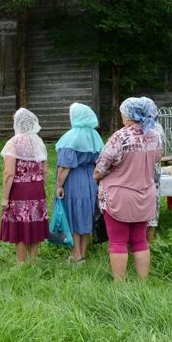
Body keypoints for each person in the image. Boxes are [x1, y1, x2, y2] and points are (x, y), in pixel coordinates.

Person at [95, 97, 162, 281]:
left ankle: (120, 285)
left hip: (119, 197)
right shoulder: (155, 136)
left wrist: (97, 176)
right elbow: (156, 160)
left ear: (131, 115)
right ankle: (142, 283)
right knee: (140, 240)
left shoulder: (121, 136)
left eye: (123, 113)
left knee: (117, 241)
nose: (122, 116)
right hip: (145, 196)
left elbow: (101, 167)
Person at [54, 103, 105, 263]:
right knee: (86, 214)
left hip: (74, 180)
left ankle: (75, 255)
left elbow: (64, 167)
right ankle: (82, 253)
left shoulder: (71, 136)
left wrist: (58, 185)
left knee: (74, 215)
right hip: (91, 179)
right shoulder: (95, 136)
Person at [0, 108, 49, 264]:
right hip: (37, 189)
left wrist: (5, 198)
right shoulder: (39, 142)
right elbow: (45, 170)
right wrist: (41, 186)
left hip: (19, 190)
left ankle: (21, 264)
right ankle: (33, 262)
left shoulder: (13, 143)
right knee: (34, 224)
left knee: (20, 226)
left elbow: (8, 173)